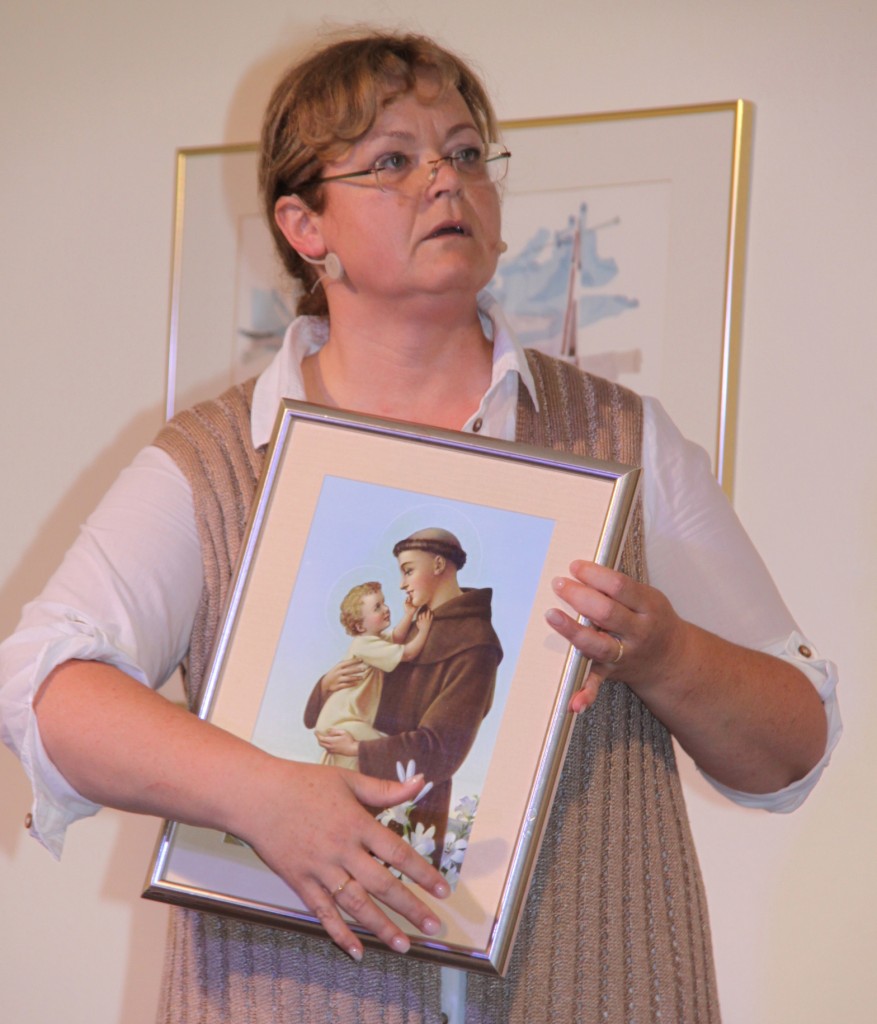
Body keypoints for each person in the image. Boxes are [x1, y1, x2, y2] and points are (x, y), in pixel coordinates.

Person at [0, 29, 840, 1024]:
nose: (445, 180)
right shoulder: (216, 460)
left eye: (467, 153)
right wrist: (263, 795)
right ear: (305, 226)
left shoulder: (622, 437)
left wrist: (663, 653)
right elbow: (44, 689)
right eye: (393, 160)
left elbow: (794, 744)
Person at [308, 529, 502, 862]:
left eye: (408, 570)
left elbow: (443, 750)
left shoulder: (476, 645)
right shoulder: (416, 623)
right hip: (354, 792)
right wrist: (326, 685)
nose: (401, 584)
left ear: (438, 565)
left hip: (411, 813)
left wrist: (359, 748)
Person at [314, 580, 434, 770]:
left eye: (383, 602)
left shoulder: (373, 639)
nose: (386, 609)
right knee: (385, 749)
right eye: (377, 607)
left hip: (342, 721)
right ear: (360, 626)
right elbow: (407, 653)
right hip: (341, 722)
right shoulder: (364, 645)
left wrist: (409, 614)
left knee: (351, 766)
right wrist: (424, 631)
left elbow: (396, 638)